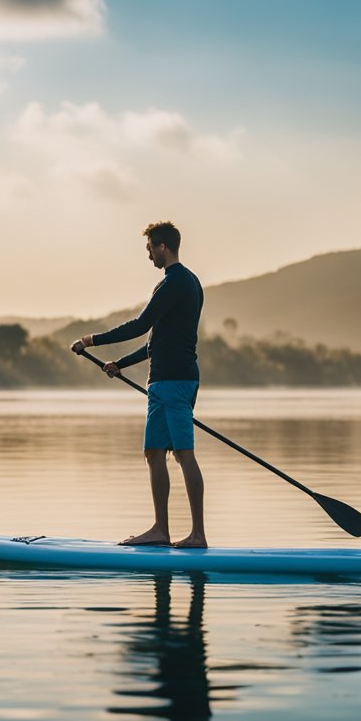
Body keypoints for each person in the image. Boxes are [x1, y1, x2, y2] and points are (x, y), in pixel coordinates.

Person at [71, 221, 206, 548]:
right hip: (163, 381)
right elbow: (155, 342)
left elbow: (141, 325)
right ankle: (161, 530)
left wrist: (92, 340)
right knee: (153, 452)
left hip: (174, 382)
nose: (149, 258)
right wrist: (120, 364)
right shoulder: (186, 283)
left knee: (184, 454)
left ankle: (198, 535)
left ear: (162, 247)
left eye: (149, 250)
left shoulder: (175, 283)